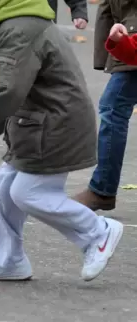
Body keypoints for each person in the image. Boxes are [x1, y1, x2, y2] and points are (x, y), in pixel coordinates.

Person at [0, 0, 123, 282]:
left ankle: (98, 232)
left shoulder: (20, 28)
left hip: (57, 126)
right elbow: (13, 88)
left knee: (27, 193)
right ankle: (7, 261)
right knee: (6, 187)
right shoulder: (11, 20)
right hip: (36, 124)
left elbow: (6, 92)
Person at [0, 0, 89, 151]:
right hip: (5, 32)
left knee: (26, 90)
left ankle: (16, 133)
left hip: (36, 31)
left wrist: (78, 10)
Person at [73, 0, 137, 211]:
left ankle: (103, 190)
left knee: (113, 108)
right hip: (126, 38)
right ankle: (103, 190)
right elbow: (109, 7)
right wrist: (106, 53)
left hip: (132, 38)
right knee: (113, 108)